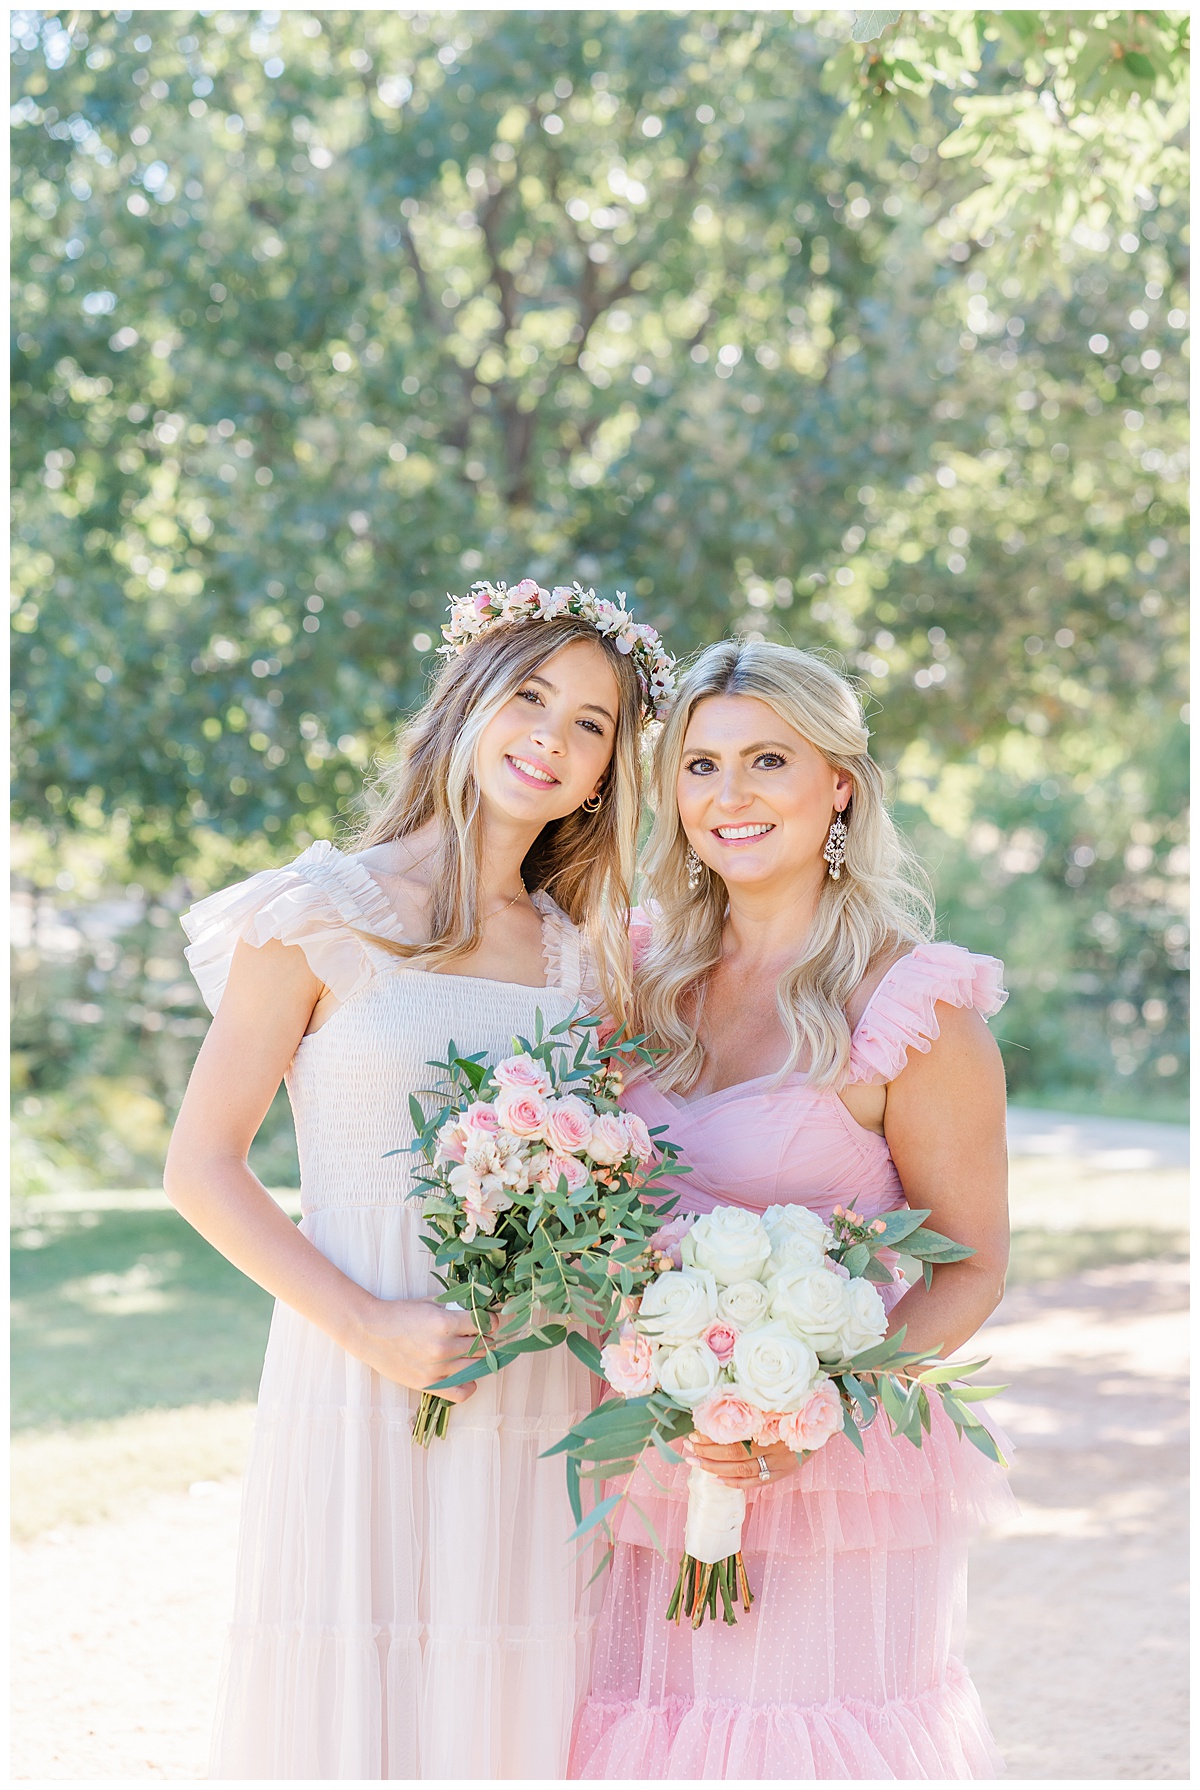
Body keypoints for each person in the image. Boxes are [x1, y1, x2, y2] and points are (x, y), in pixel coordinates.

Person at [164, 579, 674, 1779]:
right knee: (363, 1684)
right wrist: (372, 1325)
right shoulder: (314, 913)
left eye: (594, 723)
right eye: (532, 694)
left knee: (517, 1688)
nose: (554, 735)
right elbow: (201, 1165)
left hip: (538, 1370)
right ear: (468, 702)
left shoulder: (583, 954)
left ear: (606, 772)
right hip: (362, 1362)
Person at [570, 639, 1017, 1780]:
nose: (731, 795)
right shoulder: (630, 972)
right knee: (634, 1735)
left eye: (769, 758)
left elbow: (967, 1266)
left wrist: (804, 1402)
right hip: (635, 1454)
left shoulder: (914, 1005)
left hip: (824, 1469)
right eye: (702, 764)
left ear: (840, 784)